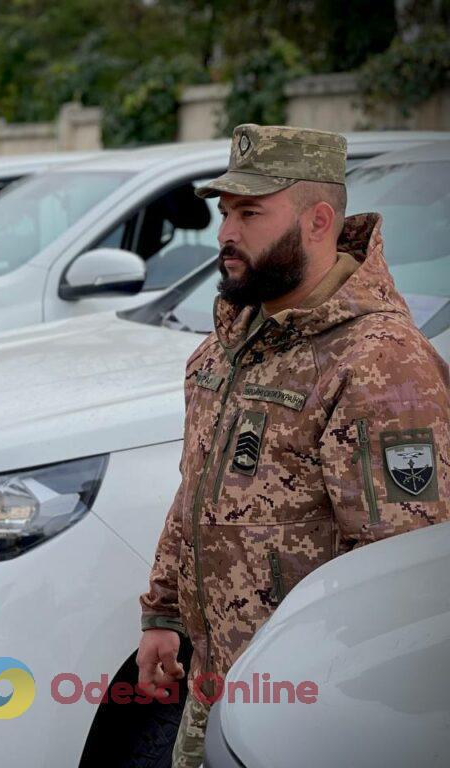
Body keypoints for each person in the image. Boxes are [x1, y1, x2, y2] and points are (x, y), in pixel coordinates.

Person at [135, 124, 450, 768]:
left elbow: (406, 581)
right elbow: (195, 485)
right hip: (218, 691)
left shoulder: (377, 363)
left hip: (309, 716)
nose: (226, 233)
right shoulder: (229, 342)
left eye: (251, 213)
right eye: (225, 213)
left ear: (319, 220)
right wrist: (163, 613)